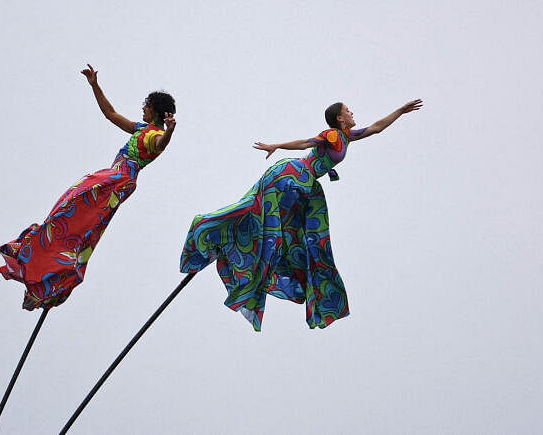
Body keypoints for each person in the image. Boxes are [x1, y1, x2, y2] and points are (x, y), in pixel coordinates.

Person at [180, 98, 422, 330]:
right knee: (261, 217)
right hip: (293, 175)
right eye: (348, 110)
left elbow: (376, 128)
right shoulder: (332, 134)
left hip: (305, 185)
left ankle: (248, 246)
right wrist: (277, 145)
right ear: (340, 118)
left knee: (297, 236)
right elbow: (306, 144)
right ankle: (210, 228)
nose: (352, 113)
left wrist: (400, 111)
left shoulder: (347, 137)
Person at [0, 65, 176, 310]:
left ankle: (60, 267)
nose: (142, 108)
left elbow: (161, 143)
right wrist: (94, 85)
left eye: (146, 105)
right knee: (69, 208)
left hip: (118, 180)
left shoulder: (153, 135)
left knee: (79, 211)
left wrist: (170, 132)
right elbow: (110, 113)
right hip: (112, 178)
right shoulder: (140, 129)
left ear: (154, 109)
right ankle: (46, 256)